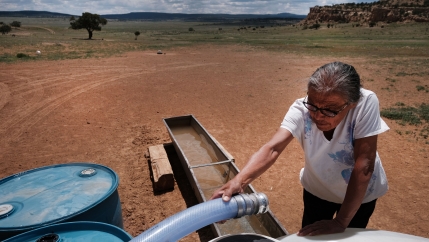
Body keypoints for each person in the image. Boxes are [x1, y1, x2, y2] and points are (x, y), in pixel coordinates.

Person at [210, 61, 389, 236]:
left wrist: (341, 221)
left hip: (359, 197)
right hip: (318, 190)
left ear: (352, 104)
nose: (318, 116)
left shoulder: (365, 102)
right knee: (311, 236)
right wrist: (238, 181)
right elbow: (272, 148)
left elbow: (364, 163)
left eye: (330, 110)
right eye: (312, 104)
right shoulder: (301, 108)